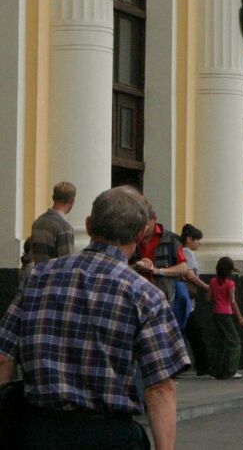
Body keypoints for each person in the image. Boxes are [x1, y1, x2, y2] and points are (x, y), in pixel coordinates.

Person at [0, 186, 187, 450]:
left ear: (88, 226)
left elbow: (4, 358)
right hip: (109, 435)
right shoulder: (146, 295)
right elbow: (160, 388)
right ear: (139, 234)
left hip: (39, 431)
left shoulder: (37, 277)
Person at [178, 224, 211, 374]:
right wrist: (206, 287)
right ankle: (203, 365)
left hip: (183, 297)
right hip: (187, 299)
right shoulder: (187, 252)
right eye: (197, 239)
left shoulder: (182, 251)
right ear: (189, 239)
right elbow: (190, 274)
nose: (199, 243)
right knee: (195, 334)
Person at [208, 256, 243, 380]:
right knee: (234, 342)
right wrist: (240, 317)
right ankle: (231, 370)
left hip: (215, 313)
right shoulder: (230, 283)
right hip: (226, 313)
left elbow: (208, 298)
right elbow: (233, 301)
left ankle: (216, 370)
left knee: (220, 342)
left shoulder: (213, 281)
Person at [27, 181, 76, 266]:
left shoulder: (37, 223)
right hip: (55, 278)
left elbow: (31, 257)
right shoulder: (65, 227)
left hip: (38, 276)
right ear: (72, 201)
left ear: (53, 198)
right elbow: (66, 262)